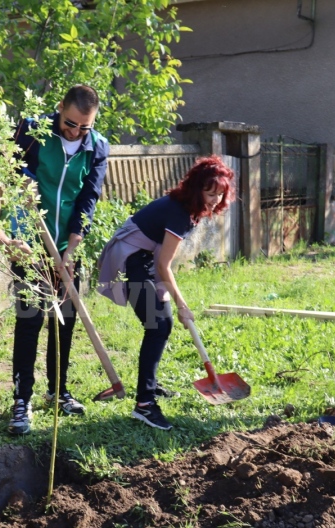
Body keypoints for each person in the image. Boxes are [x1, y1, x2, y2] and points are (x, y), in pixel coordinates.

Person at [96, 155, 235, 430]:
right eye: (210, 193)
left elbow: (160, 264)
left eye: (220, 195)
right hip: (130, 260)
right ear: (196, 188)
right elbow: (164, 265)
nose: (215, 201)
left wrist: (169, 297)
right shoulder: (179, 213)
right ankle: (145, 405)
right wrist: (183, 305)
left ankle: (150, 386)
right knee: (158, 325)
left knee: (163, 322)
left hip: (145, 259)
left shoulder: (189, 209)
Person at [4, 84, 109, 436]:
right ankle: (22, 399)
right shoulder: (31, 132)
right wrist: (22, 238)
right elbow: (14, 178)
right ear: (59, 108)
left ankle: (58, 390)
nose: (76, 132)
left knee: (64, 319)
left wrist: (71, 249)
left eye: (84, 127)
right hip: (30, 241)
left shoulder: (97, 147)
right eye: (70, 123)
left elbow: (88, 199)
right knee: (30, 319)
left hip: (65, 244)